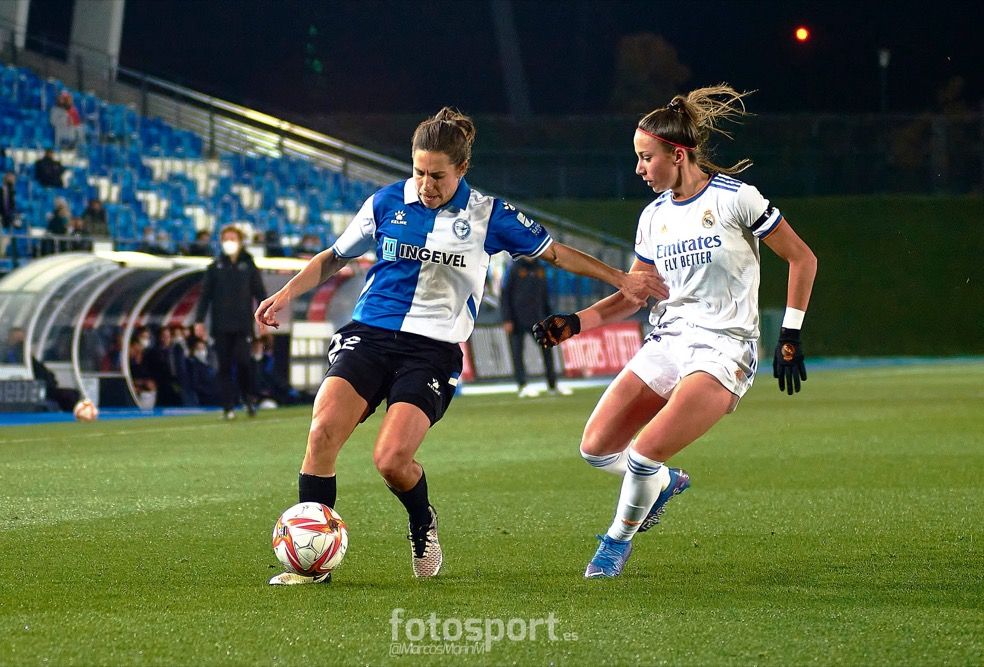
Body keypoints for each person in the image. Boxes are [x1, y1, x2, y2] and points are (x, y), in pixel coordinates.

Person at [255, 107, 667, 585]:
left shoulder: (489, 215)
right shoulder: (385, 202)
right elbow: (334, 257)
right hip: (369, 336)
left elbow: (555, 252)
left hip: (432, 351)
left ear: (463, 169)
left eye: (438, 176)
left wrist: (621, 278)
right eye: (419, 172)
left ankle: (422, 521)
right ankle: (312, 568)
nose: (426, 185)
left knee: (391, 461)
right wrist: (286, 293)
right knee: (322, 433)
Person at [532, 85, 817, 579]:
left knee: (644, 452)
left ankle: (614, 545)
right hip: (668, 342)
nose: (639, 169)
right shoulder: (653, 217)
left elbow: (802, 258)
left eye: (646, 158)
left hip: (725, 348)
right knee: (596, 449)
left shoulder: (736, 199)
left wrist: (790, 334)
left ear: (678, 155)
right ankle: (664, 484)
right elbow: (634, 294)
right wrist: (576, 323)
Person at [195, 225, 266, 420]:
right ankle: (228, 406)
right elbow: (205, 296)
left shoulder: (248, 265)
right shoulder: (215, 266)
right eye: (226, 239)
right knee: (223, 366)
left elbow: (260, 292)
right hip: (220, 325)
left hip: (243, 325)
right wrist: (199, 320)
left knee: (244, 362)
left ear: (241, 241)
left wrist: (265, 317)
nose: (229, 243)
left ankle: (248, 399)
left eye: (233, 239)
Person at [501, 255, 570, 398]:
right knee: (517, 353)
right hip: (517, 319)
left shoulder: (540, 268)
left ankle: (552, 385)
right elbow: (505, 294)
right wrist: (507, 318)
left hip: (538, 318)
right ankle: (522, 385)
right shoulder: (514, 267)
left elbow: (544, 295)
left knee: (547, 351)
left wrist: (549, 316)